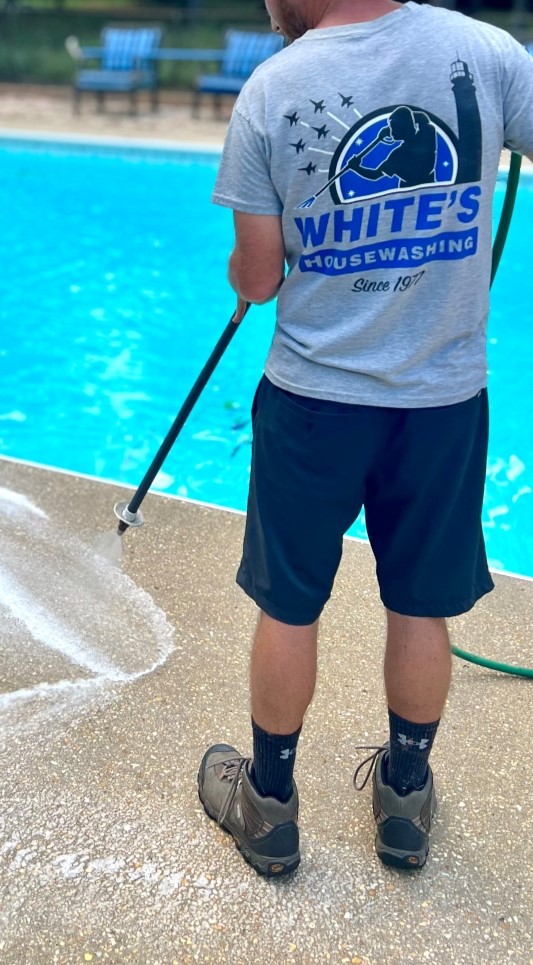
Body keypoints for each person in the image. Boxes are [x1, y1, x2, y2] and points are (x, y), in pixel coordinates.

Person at [199, 0, 533, 877]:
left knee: (288, 604)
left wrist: (239, 271)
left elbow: (260, 279)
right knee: (419, 603)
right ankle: (405, 798)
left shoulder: (273, 90)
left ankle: (267, 805)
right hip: (443, 401)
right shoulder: (485, 54)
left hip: (314, 401)